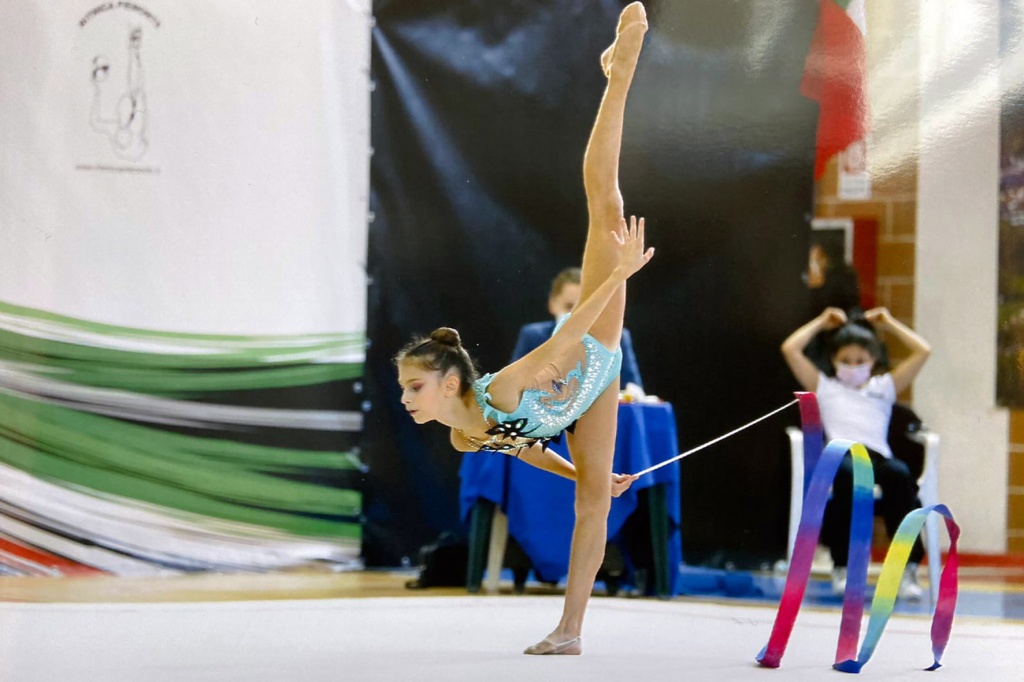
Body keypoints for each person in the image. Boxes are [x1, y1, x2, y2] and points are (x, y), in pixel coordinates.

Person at [394, 2, 650, 655]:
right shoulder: (462, 433)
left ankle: (618, 75)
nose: (405, 399)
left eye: (413, 387)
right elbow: (526, 449)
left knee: (606, 202)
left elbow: (567, 339)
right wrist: (575, 473)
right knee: (592, 498)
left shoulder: (504, 389)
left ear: (451, 380)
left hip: (592, 347)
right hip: (594, 390)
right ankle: (572, 631)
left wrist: (618, 276)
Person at [781, 306, 932, 600]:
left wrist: (888, 322)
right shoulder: (824, 386)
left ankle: (906, 569)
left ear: (872, 361)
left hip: (877, 456)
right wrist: (821, 321)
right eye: (845, 361)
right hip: (842, 456)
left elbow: (923, 351)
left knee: (901, 477)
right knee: (849, 477)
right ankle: (843, 567)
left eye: (860, 360)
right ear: (833, 361)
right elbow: (790, 348)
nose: (853, 366)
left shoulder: (884, 387)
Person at [512, 266, 644, 391]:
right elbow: (512, 383)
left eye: (584, 307)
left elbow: (632, 387)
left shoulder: (617, 337)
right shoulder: (533, 336)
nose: (576, 315)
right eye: (569, 306)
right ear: (552, 304)